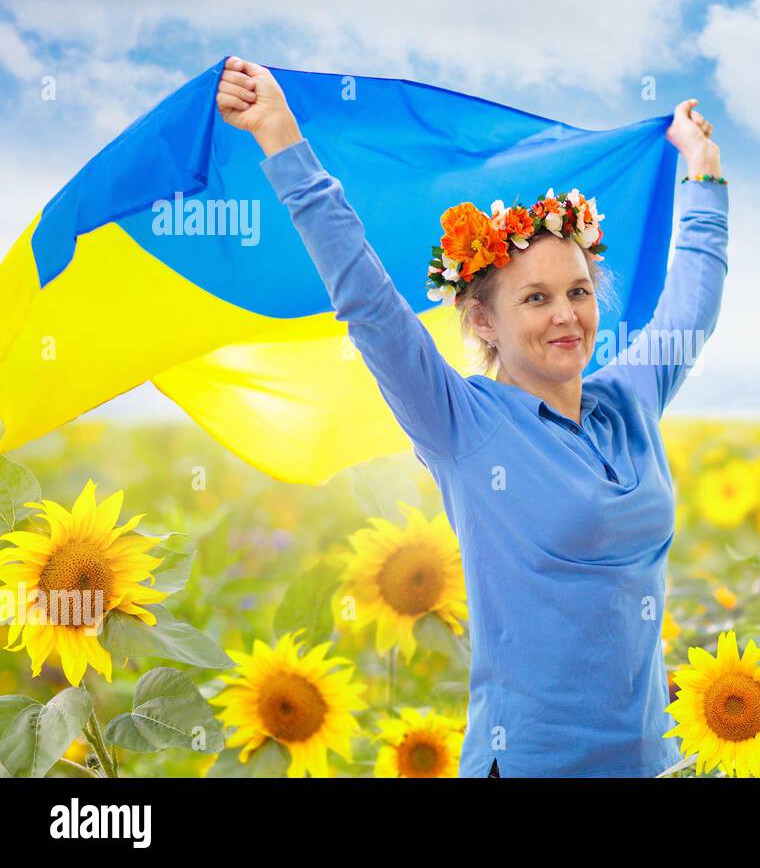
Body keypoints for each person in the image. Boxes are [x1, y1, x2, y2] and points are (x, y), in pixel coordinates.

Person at [216, 56, 728, 777]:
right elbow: (368, 301)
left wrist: (701, 167)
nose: (566, 316)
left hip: (650, 762)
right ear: (482, 319)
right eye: (536, 298)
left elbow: (693, 299)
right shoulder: (461, 422)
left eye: (578, 292)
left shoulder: (631, 400)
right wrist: (282, 140)